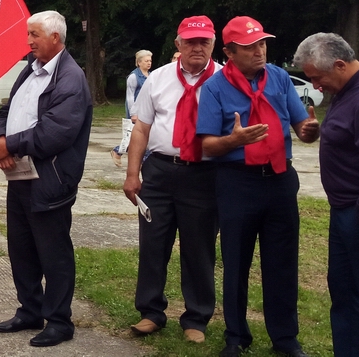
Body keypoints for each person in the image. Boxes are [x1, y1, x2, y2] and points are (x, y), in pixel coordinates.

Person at [196, 16, 319, 357]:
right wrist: (232, 140)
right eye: (249, 47)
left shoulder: (278, 77)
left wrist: (310, 130)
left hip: (280, 179)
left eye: (262, 43)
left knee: (282, 262)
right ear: (229, 51)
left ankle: (285, 338)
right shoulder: (215, 88)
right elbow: (207, 145)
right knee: (235, 262)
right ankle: (236, 336)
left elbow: (301, 125)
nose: (259, 51)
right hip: (238, 182)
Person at [0, 10, 92, 348]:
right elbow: (7, 109)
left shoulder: (71, 78)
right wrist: (2, 141)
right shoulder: (30, 69)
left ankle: (59, 320)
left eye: (34, 34)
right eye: (28, 34)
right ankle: (30, 310)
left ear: (55, 38)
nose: (29, 41)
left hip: (50, 179)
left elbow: (55, 133)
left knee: (54, 252)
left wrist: (11, 144)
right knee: (21, 248)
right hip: (20, 174)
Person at [123, 15, 221, 344]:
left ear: (213, 43)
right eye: (190, 41)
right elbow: (142, 128)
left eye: (203, 41)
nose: (197, 47)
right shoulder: (159, 78)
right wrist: (132, 174)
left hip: (204, 174)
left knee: (199, 247)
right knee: (153, 244)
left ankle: (197, 317)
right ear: (178, 44)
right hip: (160, 170)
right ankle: (151, 312)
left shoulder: (225, 79)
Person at [293, 33, 359, 357]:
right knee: (343, 295)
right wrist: (319, 133)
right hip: (344, 212)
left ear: (340, 65)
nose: (315, 87)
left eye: (317, 77)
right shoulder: (347, 90)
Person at [110, 49, 152, 167]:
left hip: (147, 109)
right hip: (136, 112)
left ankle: (119, 152)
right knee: (136, 136)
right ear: (139, 62)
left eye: (150, 60)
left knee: (145, 136)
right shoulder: (133, 77)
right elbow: (129, 96)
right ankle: (121, 152)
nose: (149, 63)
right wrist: (133, 113)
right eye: (146, 61)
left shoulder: (151, 75)